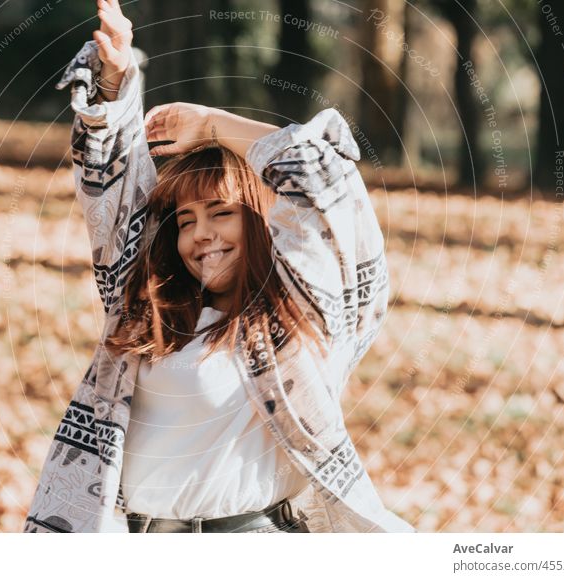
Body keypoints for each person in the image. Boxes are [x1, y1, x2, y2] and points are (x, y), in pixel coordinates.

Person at [24, 0, 414, 533]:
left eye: (221, 213)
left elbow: (325, 180)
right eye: (186, 219)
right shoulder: (147, 309)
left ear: (260, 221)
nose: (200, 234)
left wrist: (212, 125)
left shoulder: (304, 317)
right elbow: (111, 202)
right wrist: (114, 84)